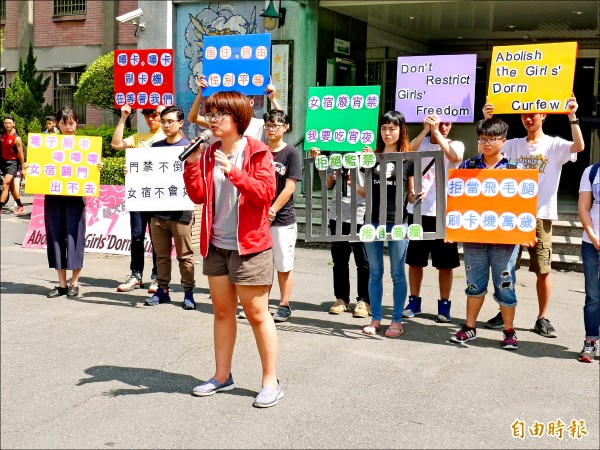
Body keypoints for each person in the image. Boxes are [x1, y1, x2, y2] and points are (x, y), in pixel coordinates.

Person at [183, 90, 282, 408]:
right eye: (209, 115)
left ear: (237, 118)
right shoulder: (209, 152)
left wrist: (235, 173)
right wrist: (193, 165)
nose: (211, 120)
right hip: (216, 245)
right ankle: (222, 376)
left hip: (250, 246)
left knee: (256, 314)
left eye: (217, 115)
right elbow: (198, 196)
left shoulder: (258, 151)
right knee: (223, 312)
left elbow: (265, 193)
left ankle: (270, 382)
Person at [483, 95, 584, 337]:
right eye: (525, 114)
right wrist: (488, 119)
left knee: (542, 269)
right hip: (512, 215)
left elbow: (578, 147)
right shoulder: (513, 144)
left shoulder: (554, 145)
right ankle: (504, 311)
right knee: (506, 268)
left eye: (534, 114)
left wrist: (572, 116)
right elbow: (490, 146)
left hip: (540, 216)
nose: (529, 118)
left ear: (544, 115)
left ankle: (543, 318)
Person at [449, 118, 523, 350]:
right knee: (474, 284)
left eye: (492, 139)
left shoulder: (514, 170)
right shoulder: (467, 167)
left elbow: (524, 205)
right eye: (483, 139)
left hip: (505, 240)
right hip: (474, 238)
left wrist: (526, 234)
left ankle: (509, 331)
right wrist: (453, 228)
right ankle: (470, 327)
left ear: (504, 141)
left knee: (505, 284)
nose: (487, 143)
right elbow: (456, 200)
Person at [403, 114, 464, 323]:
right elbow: (408, 152)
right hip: (418, 210)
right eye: (439, 122)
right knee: (414, 261)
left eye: (447, 123)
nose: (443, 126)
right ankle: (414, 302)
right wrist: (425, 130)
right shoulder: (420, 143)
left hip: (445, 212)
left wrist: (437, 132)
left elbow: (454, 157)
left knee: (445, 264)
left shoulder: (457, 144)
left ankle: (444, 305)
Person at [357, 110, 412, 338]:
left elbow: (411, 194)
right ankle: (376, 318)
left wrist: (418, 194)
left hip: (398, 221)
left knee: (398, 272)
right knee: (375, 272)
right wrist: (351, 181)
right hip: (371, 220)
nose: (388, 132)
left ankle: (397, 320)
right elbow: (363, 192)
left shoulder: (408, 159)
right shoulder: (371, 156)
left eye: (393, 128)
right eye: (384, 128)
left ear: (401, 131)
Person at [42, 107, 102, 298]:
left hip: (76, 198)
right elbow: (41, 167)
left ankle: (74, 283)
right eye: (64, 123)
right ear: (57, 125)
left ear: (76, 123)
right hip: (53, 197)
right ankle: (61, 284)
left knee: (74, 236)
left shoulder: (85, 145)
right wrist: (30, 167)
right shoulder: (48, 145)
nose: (68, 127)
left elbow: (92, 172)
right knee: (56, 237)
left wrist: (97, 166)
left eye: (72, 122)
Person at [143, 106, 196, 310]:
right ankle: (162, 290)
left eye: (170, 121)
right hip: (157, 212)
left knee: (185, 256)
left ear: (181, 123)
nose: (166, 125)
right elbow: (147, 178)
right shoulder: (155, 148)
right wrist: (133, 171)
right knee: (161, 255)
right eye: (163, 121)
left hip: (181, 212)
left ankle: (188, 292)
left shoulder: (189, 148)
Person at [111, 104, 165, 294]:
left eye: (155, 115)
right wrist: (124, 117)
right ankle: (136, 275)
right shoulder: (138, 138)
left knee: (158, 238)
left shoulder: (169, 137)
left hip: (160, 195)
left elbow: (183, 145)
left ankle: (158, 277)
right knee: (136, 236)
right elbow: (116, 144)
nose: (151, 119)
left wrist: (165, 111)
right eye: (147, 116)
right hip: (139, 194)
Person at [310, 147, 371, 318]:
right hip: (338, 212)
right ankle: (342, 299)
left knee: (363, 260)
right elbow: (328, 183)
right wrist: (320, 162)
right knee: (339, 259)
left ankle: (365, 300)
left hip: (362, 212)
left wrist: (370, 157)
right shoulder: (337, 151)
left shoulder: (368, 149)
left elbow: (374, 183)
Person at [263, 109, 302, 323]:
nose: (271, 129)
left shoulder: (291, 153)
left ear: (285, 127)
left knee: (283, 264)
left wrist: (272, 210)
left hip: (282, 219)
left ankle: (284, 305)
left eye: (276, 125)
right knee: (262, 264)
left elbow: (289, 188)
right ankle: (261, 305)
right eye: (268, 125)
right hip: (260, 218)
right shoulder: (260, 151)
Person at [188, 75, 282, 142]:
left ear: (251, 103)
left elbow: (282, 124)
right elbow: (193, 118)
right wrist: (200, 93)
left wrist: (273, 99)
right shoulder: (222, 122)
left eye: (240, 100)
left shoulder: (260, 125)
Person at [577, 162, 599, 362]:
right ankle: (590, 340)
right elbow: (584, 207)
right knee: (593, 296)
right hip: (592, 244)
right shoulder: (592, 171)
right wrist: (593, 237)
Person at [1, 115, 27, 215]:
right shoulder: (2, 136)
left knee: (5, 184)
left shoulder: (17, 138)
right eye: (6, 123)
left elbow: (21, 155)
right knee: (11, 187)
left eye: (9, 123)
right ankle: (20, 206)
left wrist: (23, 168)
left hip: (13, 163)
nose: (8, 125)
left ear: (13, 124)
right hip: (4, 163)